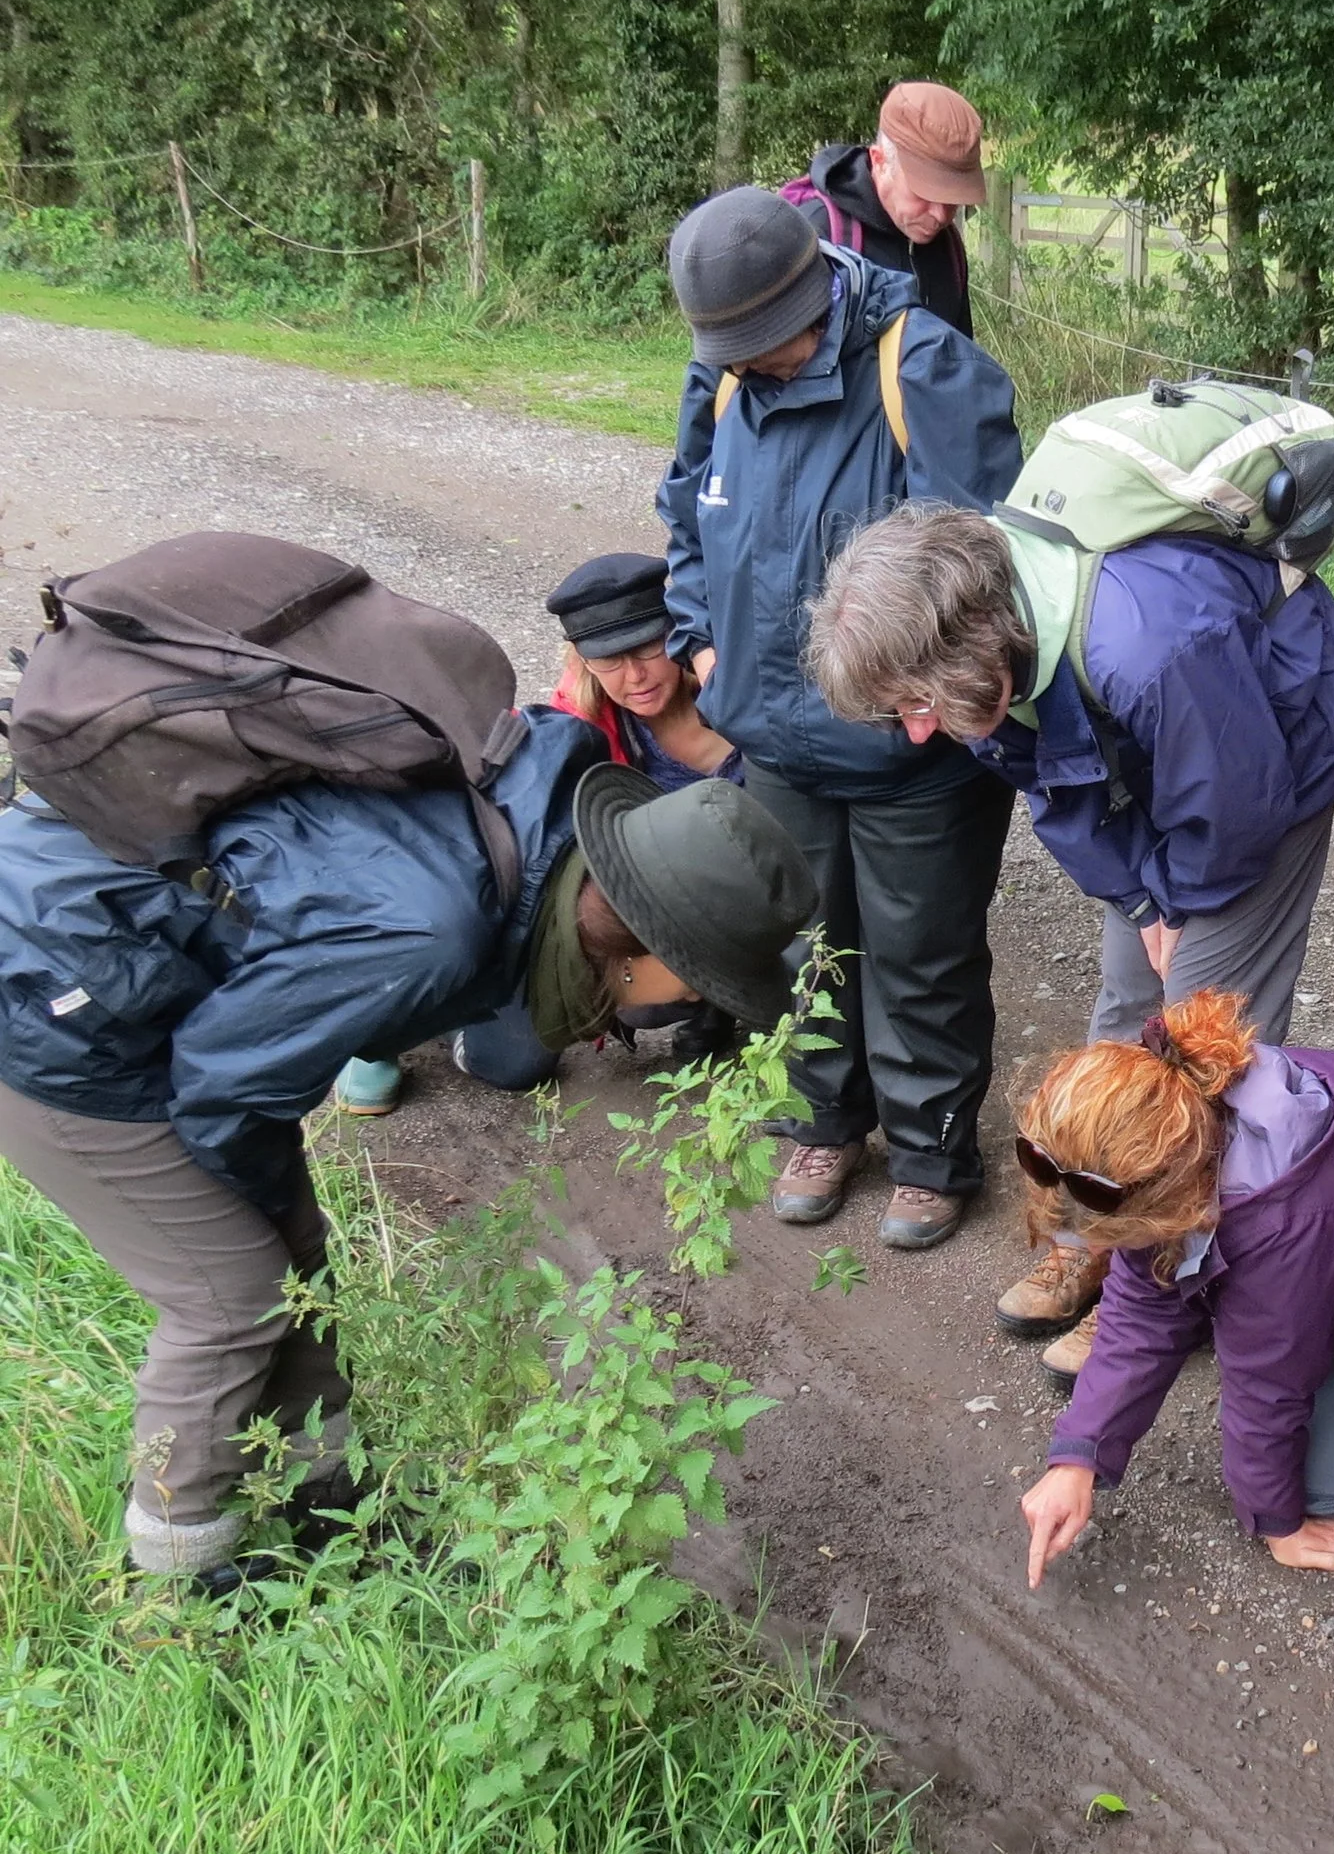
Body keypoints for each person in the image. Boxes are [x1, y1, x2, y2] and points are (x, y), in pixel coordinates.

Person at [0, 709, 815, 1592]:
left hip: (133, 962)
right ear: (640, 941)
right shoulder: (436, 936)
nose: (702, 995)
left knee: (293, 1262)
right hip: (47, 995)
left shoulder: (538, 845)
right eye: (705, 972)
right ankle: (179, 1583)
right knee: (229, 1298)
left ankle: (324, 1500)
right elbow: (221, 1086)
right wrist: (261, 1218)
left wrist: (285, 1225)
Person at [809, 496, 1334, 1372]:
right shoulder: (992, 649)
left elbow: (1234, 811)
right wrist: (1143, 903)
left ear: (967, 638)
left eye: (918, 702)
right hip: (1167, 745)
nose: (918, 731)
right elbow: (1054, 787)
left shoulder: (1147, 646)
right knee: (1126, 1011)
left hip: (1270, 746)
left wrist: (1181, 904)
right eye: (902, 712)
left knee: (1203, 1043)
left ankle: (1169, 1282)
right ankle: (1095, 1231)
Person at [658, 182, 1023, 1252]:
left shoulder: (922, 369)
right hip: (771, 736)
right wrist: (699, 637)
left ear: (807, 300)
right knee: (807, 948)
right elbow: (684, 502)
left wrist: (935, 702)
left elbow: (986, 564)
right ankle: (823, 1121)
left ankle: (929, 1152)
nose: (740, 363)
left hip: (912, 758)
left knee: (922, 955)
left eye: (757, 343)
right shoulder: (720, 377)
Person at [1014, 989, 1334, 1584]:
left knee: (1324, 1480)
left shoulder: (1284, 1214)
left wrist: (1279, 1524)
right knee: (1278, 1411)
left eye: (1109, 1238)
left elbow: (1269, 1376)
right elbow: (1144, 1307)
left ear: (1167, 1197)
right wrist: (1078, 1458)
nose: (1100, 1254)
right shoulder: (1176, 1110)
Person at [332, 551, 744, 1114]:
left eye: (649, 646)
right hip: (621, 911)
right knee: (517, 1064)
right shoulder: (569, 732)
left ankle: (715, 1006)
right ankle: (404, 1018)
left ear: (681, 633)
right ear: (580, 660)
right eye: (608, 659)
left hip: (716, 896)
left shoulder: (743, 699)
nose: (636, 675)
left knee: (663, 989)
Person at [785, 79, 987, 341]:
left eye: (951, 198)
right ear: (879, 161)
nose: (941, 215)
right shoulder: (814, 237)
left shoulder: (947, 247)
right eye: (925, 192)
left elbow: (958, 368)